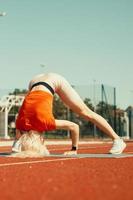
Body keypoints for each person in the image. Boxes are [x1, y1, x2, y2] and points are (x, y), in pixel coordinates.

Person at [12, 72, 126, 156]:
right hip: (34, 81)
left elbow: (74, 126)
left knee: (85, 112)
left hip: (54, 80)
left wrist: (74, 149)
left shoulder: (45, 122)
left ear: (41, 140)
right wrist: (18, 146)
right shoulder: (20, 124)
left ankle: (118, 140)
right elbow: (17, 140)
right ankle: (116, 139)